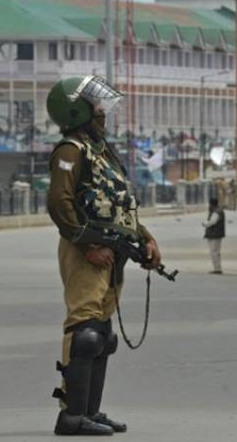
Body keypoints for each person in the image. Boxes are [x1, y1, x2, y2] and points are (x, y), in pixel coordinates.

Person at [46, 76, 162, 436]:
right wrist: (87, 245)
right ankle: (71, 416)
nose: (103, 115)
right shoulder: (70, 150)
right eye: (97, 107)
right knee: (85, 333)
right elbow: (59, 205)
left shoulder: (100, 151)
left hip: (111, 252)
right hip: (87, 251)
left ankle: (89, 412)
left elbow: (118, 204)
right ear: (77, 109)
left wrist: (146, 240)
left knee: (102, 334)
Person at [202, 197, 225, 274]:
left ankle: (217, 269)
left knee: (214, 252)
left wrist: (204, 224)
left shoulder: (216, 212)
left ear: (211, 204)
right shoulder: (218, 211)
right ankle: (218, 268)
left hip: (214, 235)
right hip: (217, 234)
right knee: (216, 252)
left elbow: (212, 222)